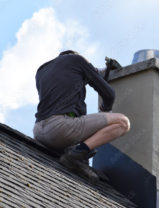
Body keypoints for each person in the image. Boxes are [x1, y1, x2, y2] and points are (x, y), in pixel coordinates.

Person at [32, 50, 130, 184]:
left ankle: (76, 155)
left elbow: (65, 82)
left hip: (38, 132)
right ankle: (75, 156)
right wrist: (105, 111)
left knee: (77, 140)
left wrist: (89, 72)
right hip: (60, 130)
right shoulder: (77, 59)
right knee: (123, 122)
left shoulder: (42, 71)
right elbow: (109, 94)